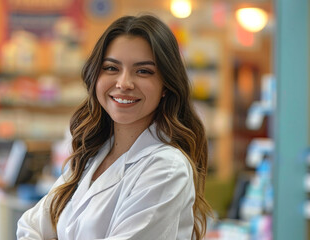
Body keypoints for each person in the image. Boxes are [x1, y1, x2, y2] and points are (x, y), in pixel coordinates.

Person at [17, 14, 212, 240]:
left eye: (143, 71)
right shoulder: (91, 154)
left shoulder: (166, 168)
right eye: (111, 68)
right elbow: (29, 227)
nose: (123, 83)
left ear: (166, 85)